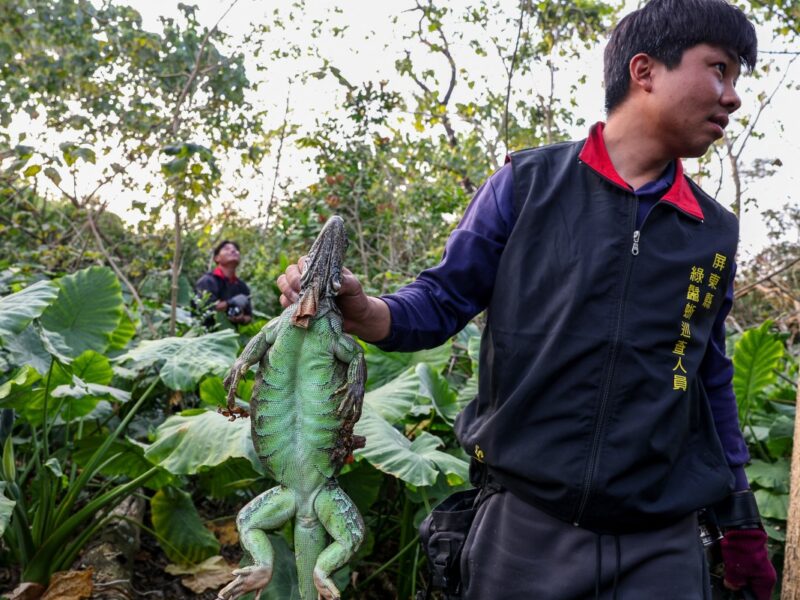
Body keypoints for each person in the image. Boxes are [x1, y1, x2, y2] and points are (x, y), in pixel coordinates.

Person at [277, 0, 776, 597]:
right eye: (718, 69)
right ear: (645, 71)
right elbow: (441, 298)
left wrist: (740, 518)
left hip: (661, 542)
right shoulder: (528, 184)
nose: (732, 97)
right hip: (525, 527)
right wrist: (365, 311)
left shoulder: (712, 229)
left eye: (735, 79)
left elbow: (708, 375)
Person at [195, 240, 252, 326]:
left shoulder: (242, 286)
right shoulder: (207, 281)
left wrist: (241, 319)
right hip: (206, 334)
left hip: (230, 335)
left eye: (235, 249)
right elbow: (205, 310)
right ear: (217, 258)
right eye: (226, 249)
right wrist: (231, 302)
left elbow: (249, 316)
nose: (233, 251)